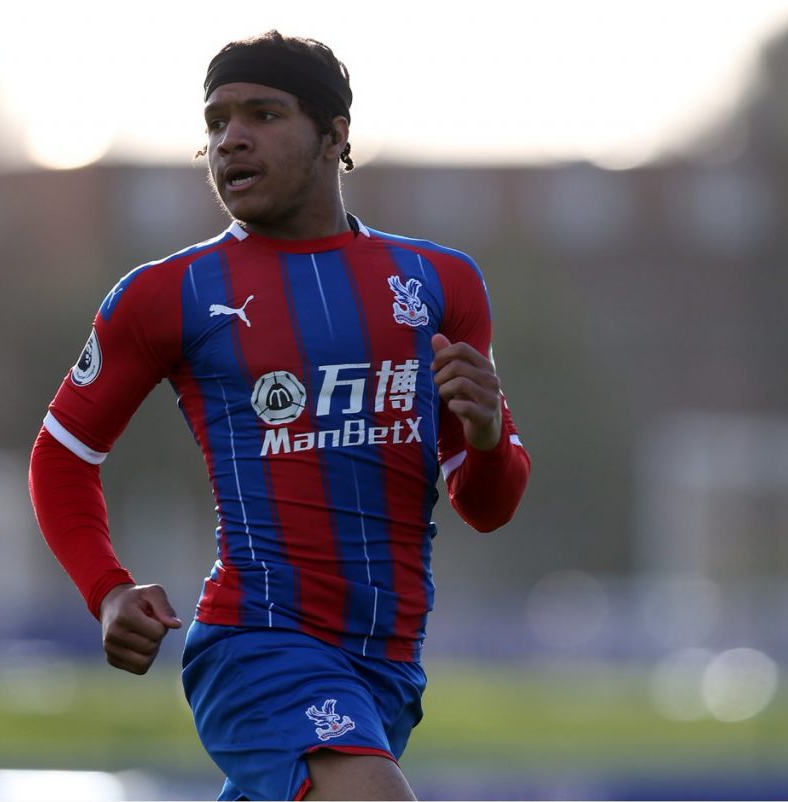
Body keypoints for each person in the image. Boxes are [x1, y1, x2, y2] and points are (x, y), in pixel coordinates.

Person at [29, 29, 530, 801]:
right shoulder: (169, 294)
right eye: (216, 122)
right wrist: (107, 588)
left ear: (335, 135)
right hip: (257, 644)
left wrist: (489, 436)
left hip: (388, 662)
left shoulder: (439, 283)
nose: (230, 139)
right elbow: (63, 454)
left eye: (262, 114)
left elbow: (488, 506)